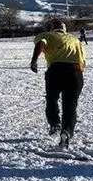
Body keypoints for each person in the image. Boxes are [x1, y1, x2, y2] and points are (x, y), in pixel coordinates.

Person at [30, 19, 86, 149]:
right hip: (76, 72)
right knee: (70, 105)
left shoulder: (47, 35)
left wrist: (34, 60)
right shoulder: (74, 39)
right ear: (64, 28)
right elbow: (82, 59)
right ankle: (66, 131)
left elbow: (40, 44)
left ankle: (55, 123)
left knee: (52, 98)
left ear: (52, 28)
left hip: (56, 70)